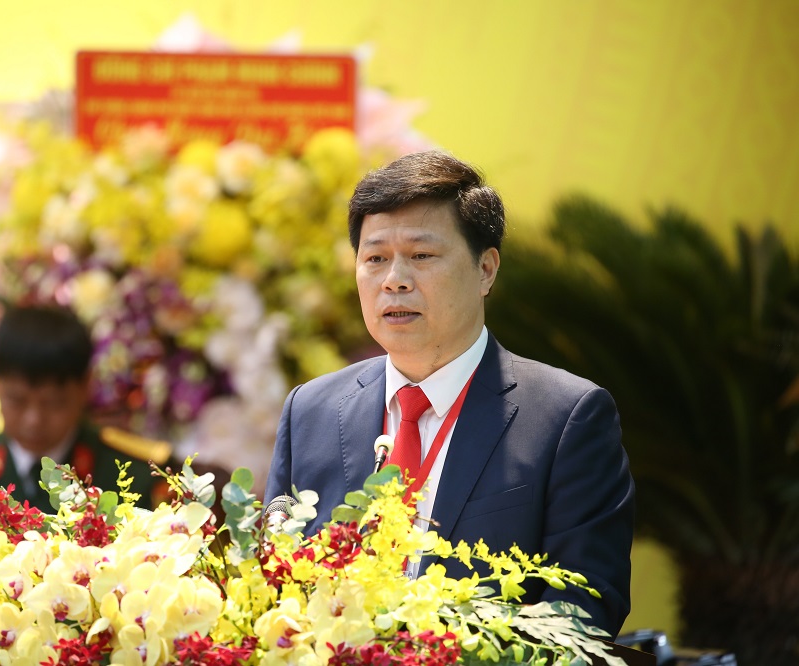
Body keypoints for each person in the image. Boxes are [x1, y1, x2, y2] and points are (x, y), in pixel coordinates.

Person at [265, 150, 635, 638]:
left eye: (421, 256)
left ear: (486, 269)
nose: (394, 280)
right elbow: (273, 586)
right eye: (375, 259)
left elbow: (584, 607)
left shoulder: (566, 418)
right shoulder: (309, 411)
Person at [0, 305, 171, 530]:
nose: (33, 420)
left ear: (85, 387)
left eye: (53, 403)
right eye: (17, 400)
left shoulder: (138, 477)